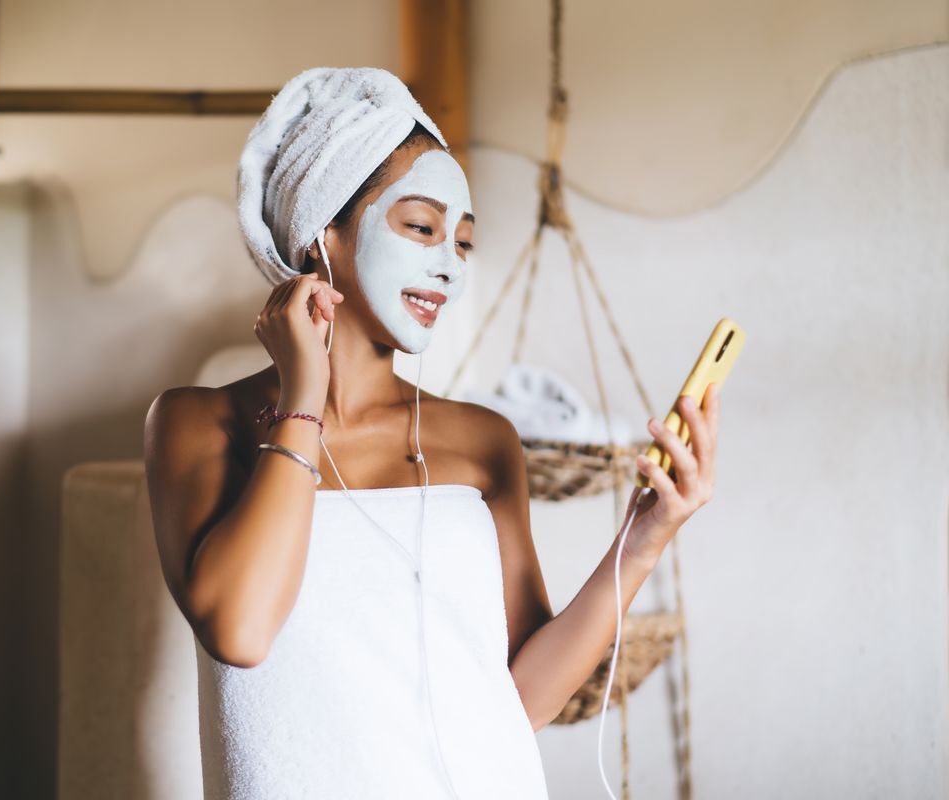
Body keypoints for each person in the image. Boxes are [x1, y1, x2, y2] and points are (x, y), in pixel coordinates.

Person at [143, 67, 720, 800]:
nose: (448, 266)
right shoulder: (199, 422)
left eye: (464, 244)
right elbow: (241, 632)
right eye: (421, 227)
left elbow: (522, 700)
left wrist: (645, 537)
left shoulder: (483, 441)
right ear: (326, 231)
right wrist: (304, 395)